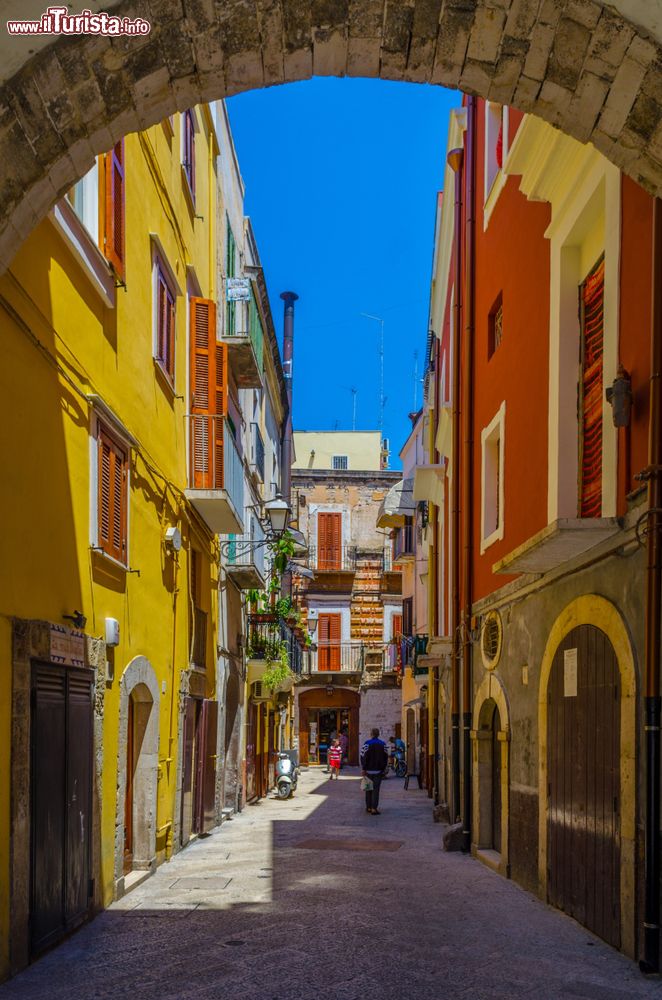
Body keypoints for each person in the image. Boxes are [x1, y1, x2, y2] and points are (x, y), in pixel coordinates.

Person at [360, 727, 388, 814]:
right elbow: (385, 757)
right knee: (376, 790)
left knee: (368, 789)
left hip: (368, 771)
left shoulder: (367, 744)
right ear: (378, 734)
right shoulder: (383, 744)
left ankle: (368, 807)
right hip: (378, 771)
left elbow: (362, 756)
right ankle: (374, 808)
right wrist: (383, 769)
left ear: (371, 734)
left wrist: (364, 768)